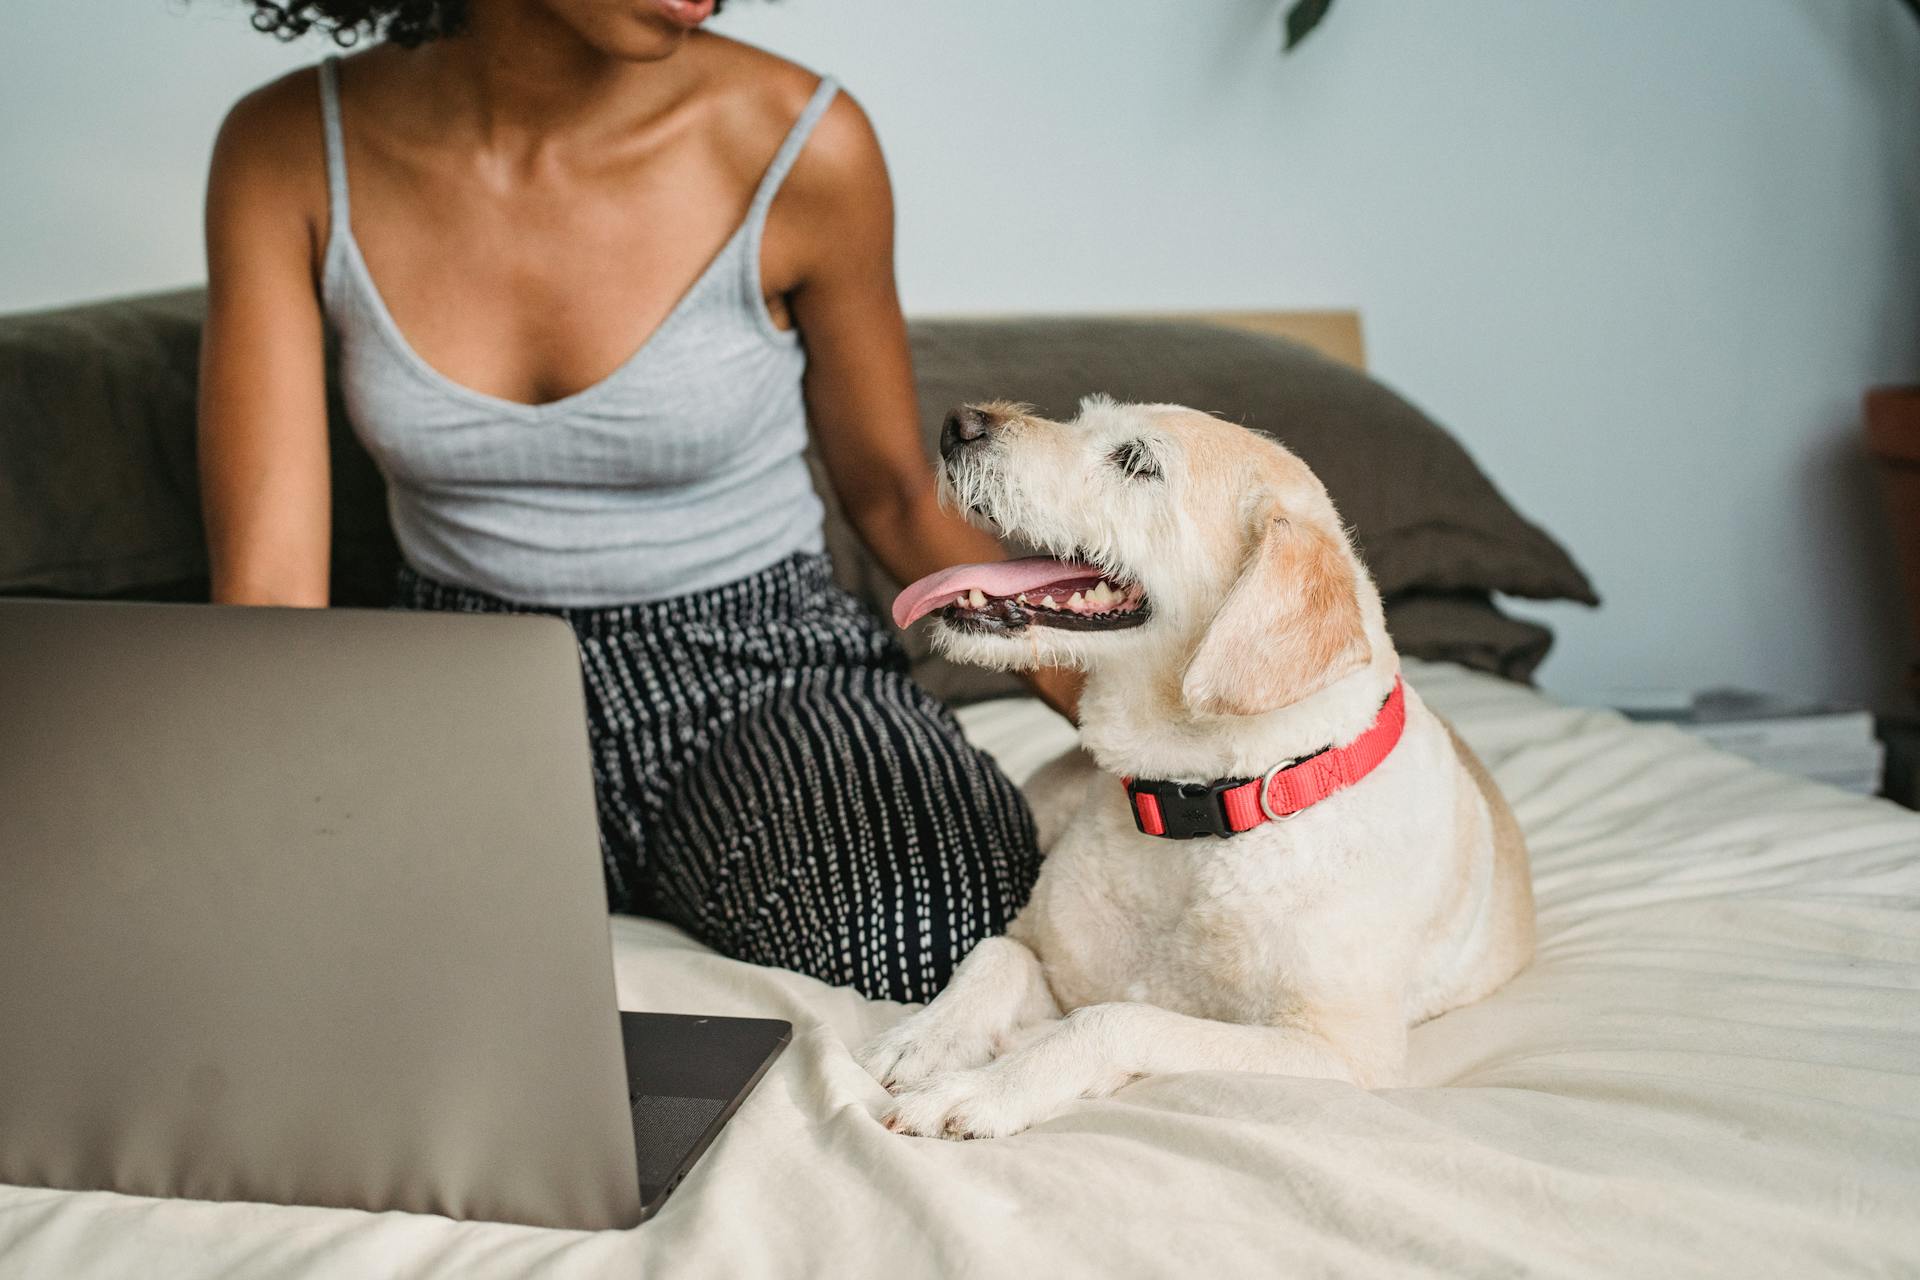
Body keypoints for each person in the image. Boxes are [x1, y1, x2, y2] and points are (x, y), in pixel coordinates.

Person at [198, 0, 1076, 1003]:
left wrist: (1102, 689)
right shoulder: (289, 149)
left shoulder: (803, 143)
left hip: (765, 669)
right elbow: (270, 586)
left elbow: (894, 495)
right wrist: (269, 835)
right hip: (459, 692)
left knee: (948, 940)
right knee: (341, 981)